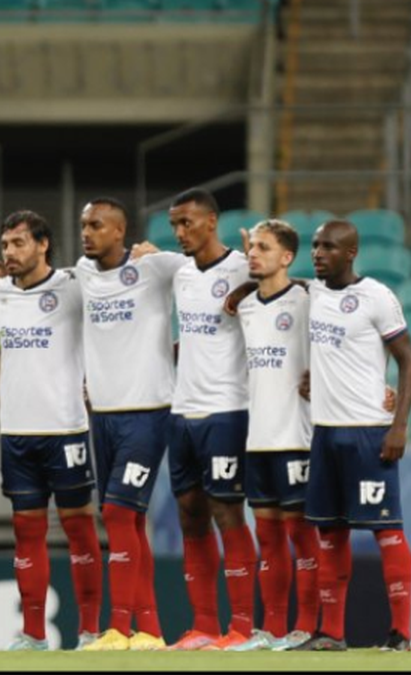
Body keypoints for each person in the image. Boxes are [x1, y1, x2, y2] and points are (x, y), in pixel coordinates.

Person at [0, 211, 102, 650]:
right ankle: (32, 635)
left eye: (19, 243)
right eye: (5, 244)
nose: (9, 252)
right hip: (16, 434)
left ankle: (89, 631)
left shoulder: (72, 286)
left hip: (66, 429)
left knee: (80, 531)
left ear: (43, 244)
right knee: (27, 534)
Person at [293, 220, 411, 652]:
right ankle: (331, 633)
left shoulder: (377, 297)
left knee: (386, 532)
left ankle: (400, 633)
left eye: (328, 246)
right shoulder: (312, 293)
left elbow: (408, 362)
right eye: (314, 245)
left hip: (368, 433)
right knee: (329, 534)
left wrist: (399, 425)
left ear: (351, 252)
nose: (318, 252)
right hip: (325, 434)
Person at [69, 198, 183, 651]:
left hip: (148, 412)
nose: (86, 232)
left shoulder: (155, 267)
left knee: (118, 512)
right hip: (103, 413)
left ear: (120, 231)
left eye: (96, 225)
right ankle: (151, 631)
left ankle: (118, 627)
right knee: (127, 520)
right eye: (83, 225)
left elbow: (208, 278)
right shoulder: (82, 272)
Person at [163, 189, 257, 651]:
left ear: (212, 221)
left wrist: (247, 286)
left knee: (227, 512)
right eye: (174, 225)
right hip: (182, 410)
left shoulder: (243, 265)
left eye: (187, 222)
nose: (180, 233)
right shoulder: (179, 272)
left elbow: (300, 287)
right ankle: (203, 626)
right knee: (190, 515)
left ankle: (240, 627)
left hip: (226, 409)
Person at [229, 220, 321, 652]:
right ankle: (272, 630)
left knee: (301, 536)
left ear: (287, 258)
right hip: (258, 439)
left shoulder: (306, 299)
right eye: (252, 247)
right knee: (267, 541)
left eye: (264, 248)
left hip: (296, 438)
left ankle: (305, 627)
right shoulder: (246, 307)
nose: (253, 253)